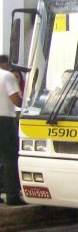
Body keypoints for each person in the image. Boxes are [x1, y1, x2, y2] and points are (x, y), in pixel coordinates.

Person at [0, 54, 26, 205]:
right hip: (4, 119)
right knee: (10, 158)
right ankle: (12, 196)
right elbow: (15, 99)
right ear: (6, 64)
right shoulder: (7, 76)